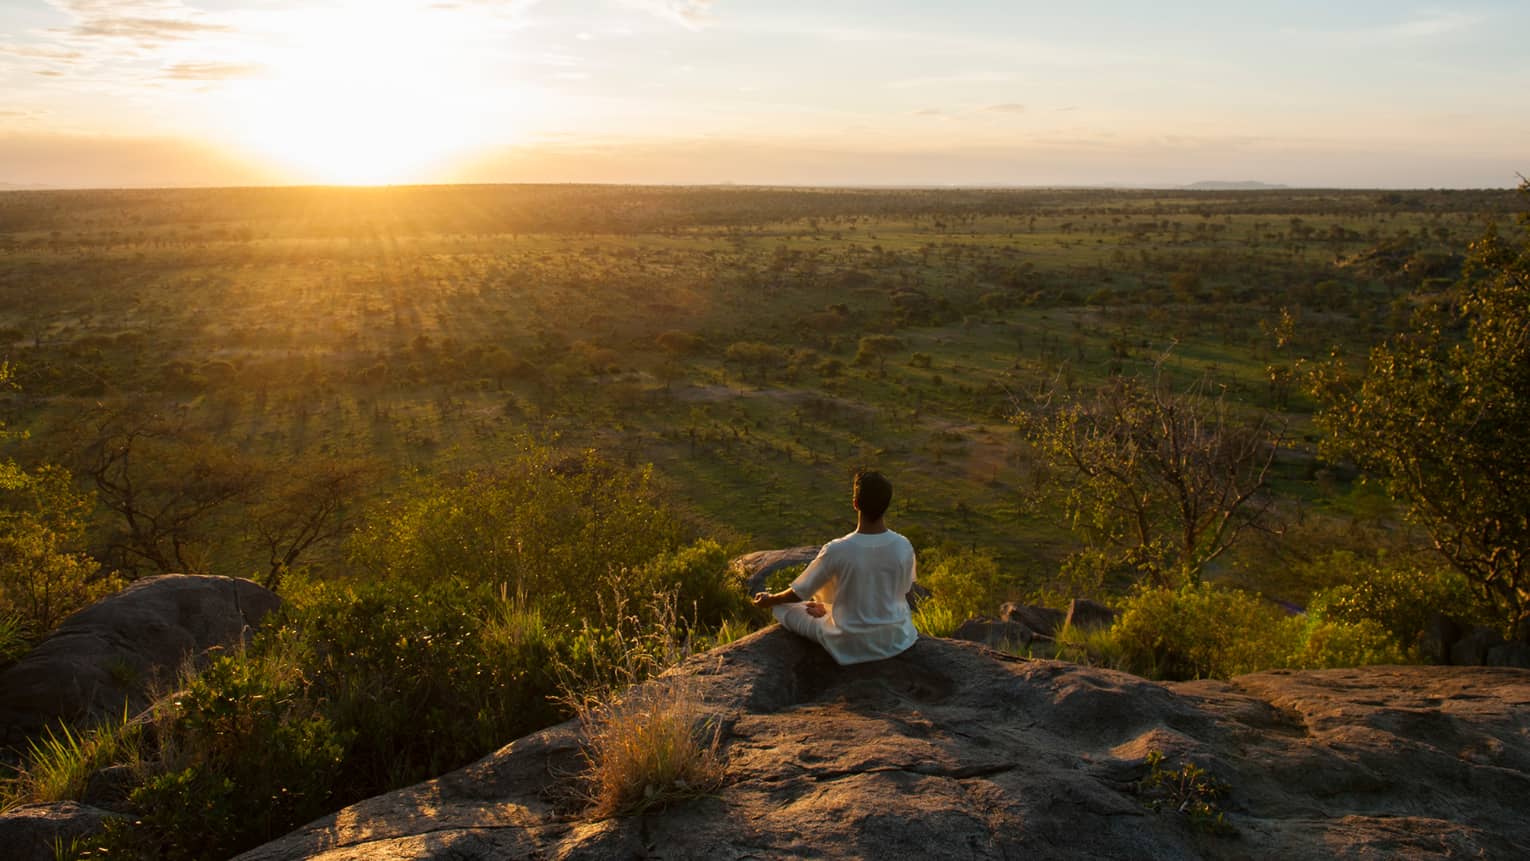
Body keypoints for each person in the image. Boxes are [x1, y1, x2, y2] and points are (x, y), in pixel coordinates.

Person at [751, 471, 918, 665]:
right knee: (813, 606)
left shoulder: (837, 549)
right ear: (886, 505)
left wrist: (771, 599)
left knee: (782, 608)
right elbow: (903, 590)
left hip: (848, 642)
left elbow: (799, 593)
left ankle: (826, 613)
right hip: (896, 638)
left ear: (855, 503)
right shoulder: (903, 545)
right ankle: (828, 611)